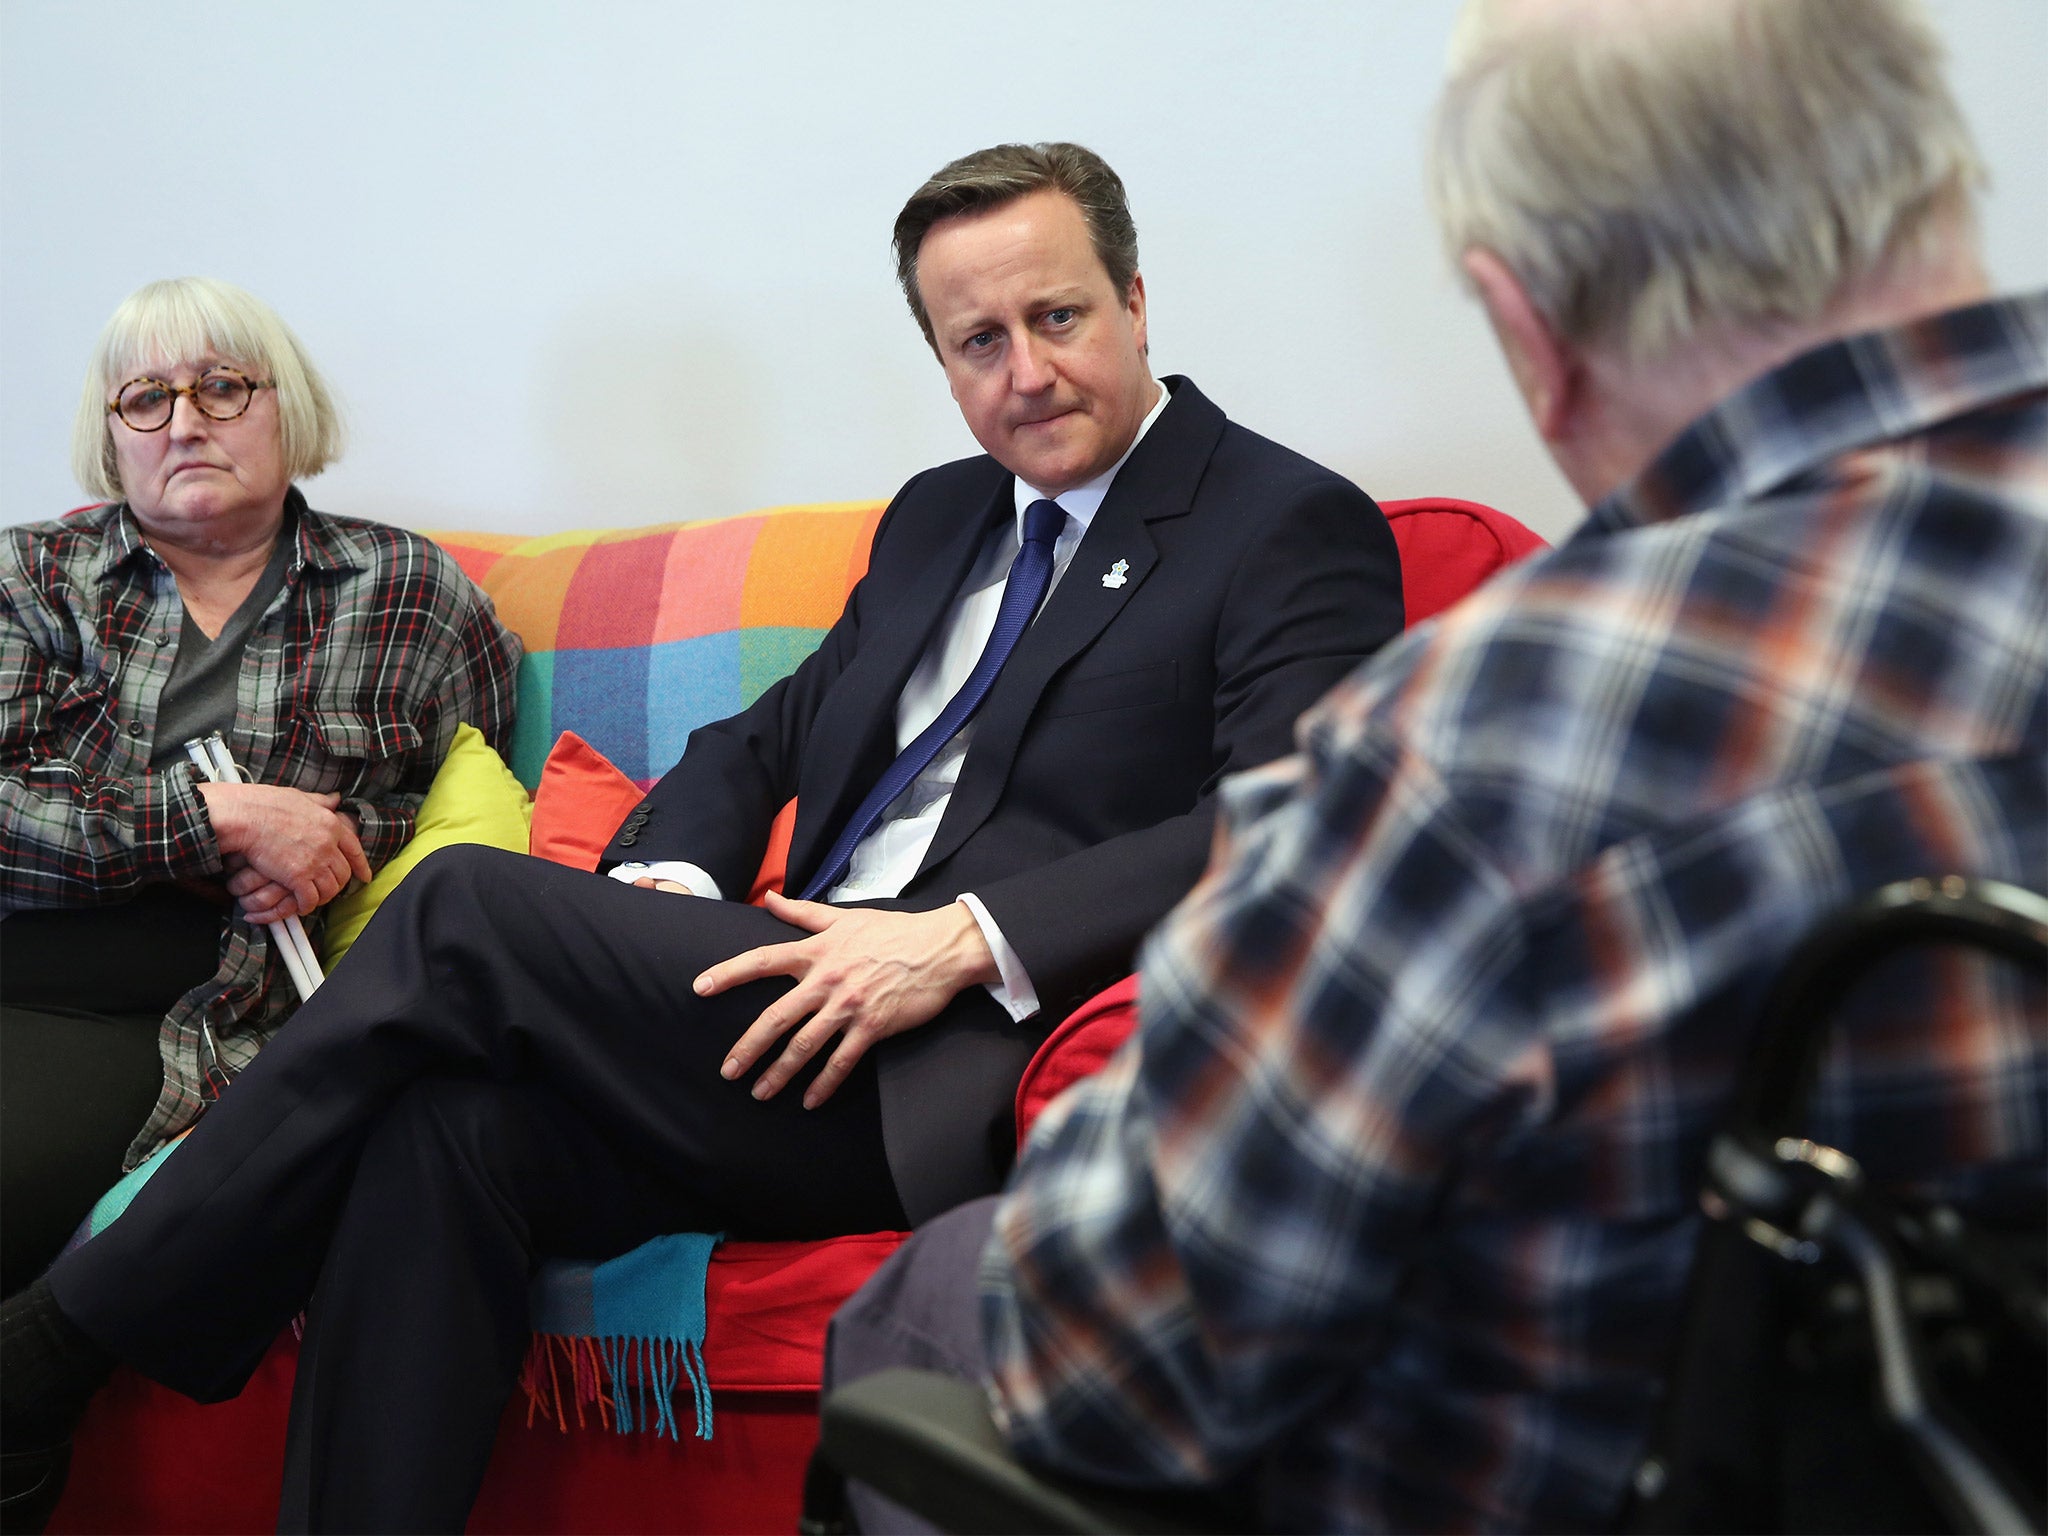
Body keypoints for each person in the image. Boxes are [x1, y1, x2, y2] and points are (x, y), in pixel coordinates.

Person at [0, 143, 1405, 1530]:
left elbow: (1292, 822)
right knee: (444, 1131)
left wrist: (963, 945)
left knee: (464, 911)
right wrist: (662, 887)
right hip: (764, 1006)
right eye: (977, 340)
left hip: (946, 1052)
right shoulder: (940, 520)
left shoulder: (1284, 524)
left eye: (1058, 318)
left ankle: (61, 1343)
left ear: (1137, 301)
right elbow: (763, 741)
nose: (1024, 373)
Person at [826, 3, 2048, 1531]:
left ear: (1527, 328)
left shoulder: (1492, 747)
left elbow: (1126, 1354)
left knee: (925, 1314)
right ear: (1940, 175)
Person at [0, 277, 521, 1297]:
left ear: (289, 405)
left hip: (177, 1006)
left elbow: (448, 805)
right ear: (113, 437)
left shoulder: (413, 594)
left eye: (222, 387)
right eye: (145, 399)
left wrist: (330, 839)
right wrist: (213, 820)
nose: (184, 422)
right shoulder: (29, 579)